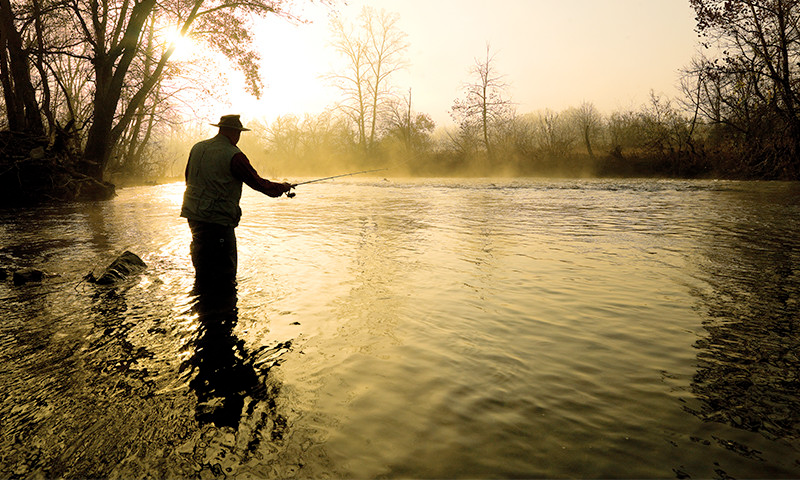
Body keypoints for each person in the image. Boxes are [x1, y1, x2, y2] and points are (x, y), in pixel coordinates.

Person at [181, 114, 293, 288]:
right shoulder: (234, 155)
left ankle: (202, 303)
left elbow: (188, 178)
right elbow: (258, 183)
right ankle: (224, 309)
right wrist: (282, 187)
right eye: (239, 133)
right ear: (235, 133)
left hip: (193, 216)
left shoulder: (198, 148)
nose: (239, 137)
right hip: (218, 222)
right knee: (225, 273)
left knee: (202, 263)